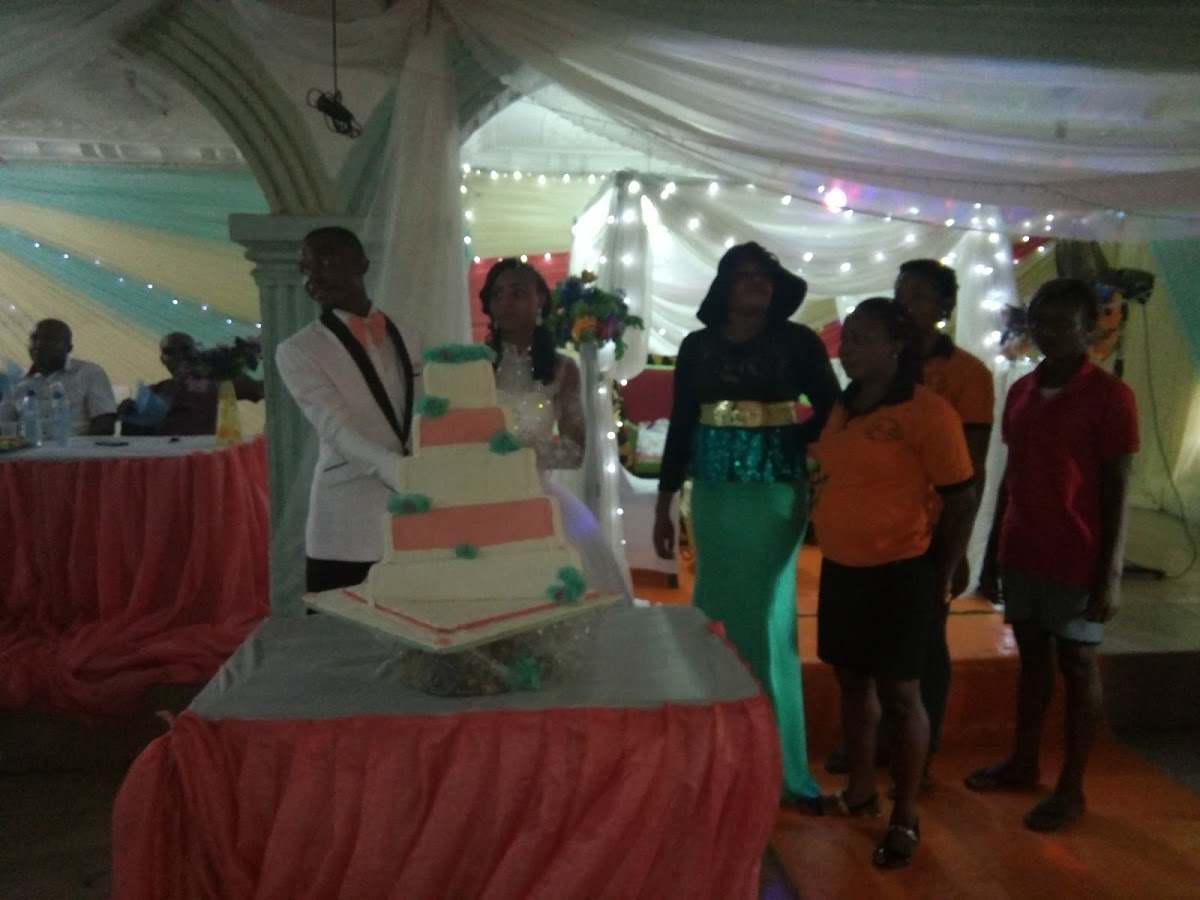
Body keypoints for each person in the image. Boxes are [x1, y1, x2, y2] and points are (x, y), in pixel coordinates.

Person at [652, 242, 840, 805]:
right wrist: (664, 500)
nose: (755, 282)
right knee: (714, 610)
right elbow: (682, 421)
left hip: (775, 494)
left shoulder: (798, 341)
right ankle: (720, 756)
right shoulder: (697, 346)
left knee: (761, 616)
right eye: (744, 275)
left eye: (764, 275)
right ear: (725, 285)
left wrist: (792, 438)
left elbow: (833, 405)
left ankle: (775, 764)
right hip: (713, 495)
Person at [965, 277, 1138, 832]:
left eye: (1064, 323)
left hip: (1077, 552)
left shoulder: (1111, 397)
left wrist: (1110, 574)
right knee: (1033, 659)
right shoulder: (1021, 391)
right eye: (1041, 321)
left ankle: (1072, 787)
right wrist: (991, 556)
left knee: (1078, 662)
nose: (1049, 332)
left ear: (1089, 331)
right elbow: (1010, 478)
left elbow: (1117, 488)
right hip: (1023, 547)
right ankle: (1023, 760)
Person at [808, 298, 975, 869]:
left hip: (901, 571)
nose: (848, 347)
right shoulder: (843, 404)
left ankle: (905, 815)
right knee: (852, 682)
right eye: (847, 337)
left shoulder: (928, 412)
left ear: (895, 347)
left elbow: (960, 497)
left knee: (902, 696)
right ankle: (860, 791)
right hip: (843, 568)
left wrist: (943, 571)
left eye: (862, 338)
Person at [826, 259, 994, 779]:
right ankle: (870, 750)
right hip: (865, 539)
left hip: (925, 533)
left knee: (918, 658)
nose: (907, 302)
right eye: (901, 293)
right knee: (865, 661)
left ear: (944, 307)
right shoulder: (858, 390)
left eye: (919, 295)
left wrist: (956, 550)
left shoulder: (965, 374)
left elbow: (970, 470)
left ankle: (915, 756)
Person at [276, 226, 422, 593]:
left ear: (362, 264)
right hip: (346, 526)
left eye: (325, 262)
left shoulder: (408, 335)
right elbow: (336, 430)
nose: (313, 278)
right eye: (305, 269)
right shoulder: (297, 350)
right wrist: (406, 474)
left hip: (415, 519)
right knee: (342, 628)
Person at [480, 258, 632, 601]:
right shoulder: (475, 363)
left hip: (540, 498)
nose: (505, 302)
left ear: (540, 301)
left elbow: (575, 451)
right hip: (483, 497)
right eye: (497, 294)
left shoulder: (563, 369)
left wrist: (519, 449)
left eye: (517, 292)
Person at [119, 332, 264, 436]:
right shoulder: (154, 391)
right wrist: (126, 413)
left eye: (185, 349)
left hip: (202, 459)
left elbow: (259, 390)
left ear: (197, 351)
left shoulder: (216, 383)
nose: (179, 355)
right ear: (163, 359)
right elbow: (134, 438)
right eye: (170, 351)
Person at [0, 318, 117, 436]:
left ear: (69, 348)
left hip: (76, 446)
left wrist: (79, 446)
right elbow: (4, 425)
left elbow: (105, 424)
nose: (38, 345)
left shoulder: (89, 373)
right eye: (34, 339)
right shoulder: (17, 382)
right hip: (26, 447)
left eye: (49, 340)